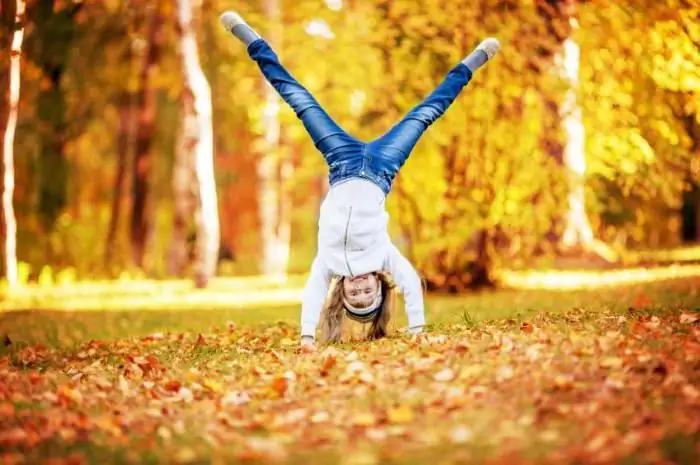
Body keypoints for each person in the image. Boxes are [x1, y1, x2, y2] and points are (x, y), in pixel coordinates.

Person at [219, 11, 500, 349]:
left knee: (299, 99)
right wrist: (417, 330)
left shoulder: (328, 264)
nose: (360, 287)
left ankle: (253, 42)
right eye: (369, 292)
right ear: (381, 286)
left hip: (341, 162)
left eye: (356, 294)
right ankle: (474, 60)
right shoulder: (384, 257)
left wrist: (307, 336)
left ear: (343, 291)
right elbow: (410, 282)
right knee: (426, 113)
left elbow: (312, 293)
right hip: (382, 166)